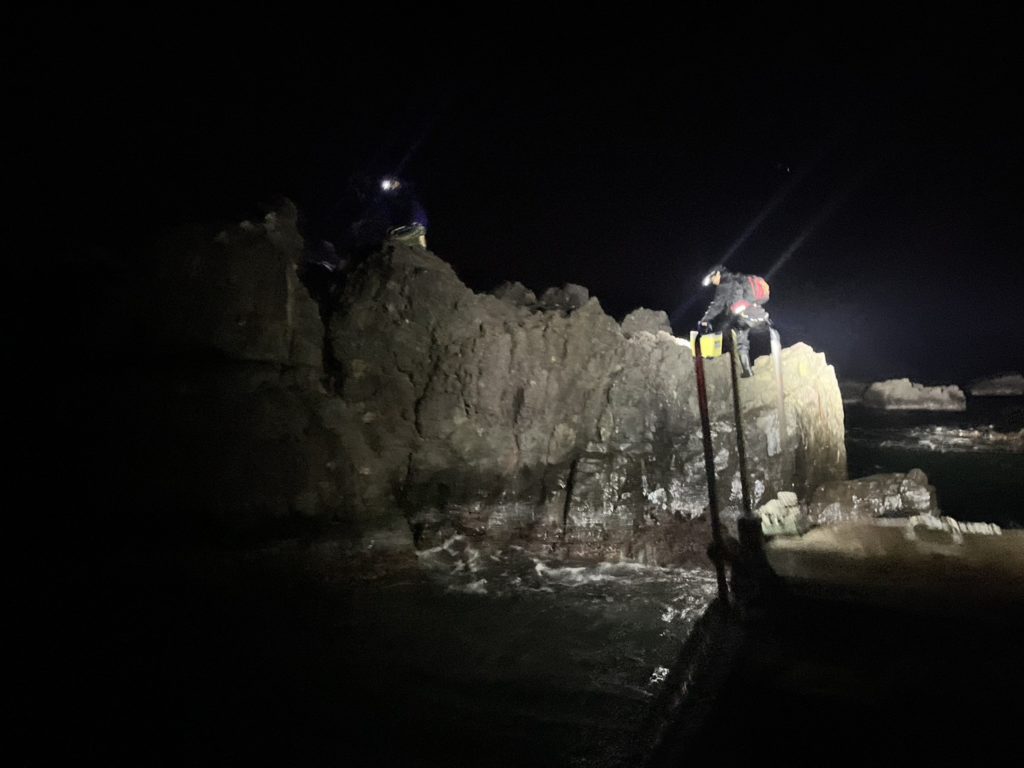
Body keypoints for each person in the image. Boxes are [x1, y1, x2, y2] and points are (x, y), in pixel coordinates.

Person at [697, 265, 772, 377]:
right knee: (746, 334)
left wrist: (705, 319)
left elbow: (717, 305)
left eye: (713, 279)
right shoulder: (737, 278)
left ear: (718, 274)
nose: (713, 282)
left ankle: (745, 370)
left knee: (735, 337)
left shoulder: (724, 284)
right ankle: (772, 336)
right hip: (757, 313)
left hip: (744, 316)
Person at [348, 174, 428, 256]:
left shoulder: (408, 198)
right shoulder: (381, 201)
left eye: (394, 183)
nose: (392, 186)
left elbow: (416, 214)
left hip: (409, 229)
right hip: (392, 231)